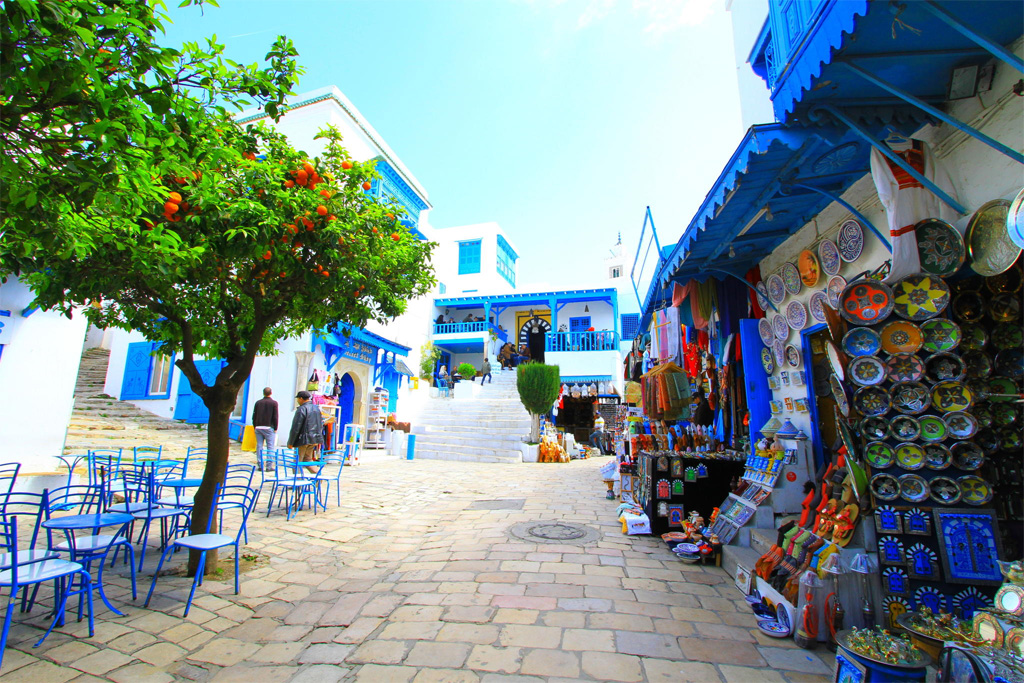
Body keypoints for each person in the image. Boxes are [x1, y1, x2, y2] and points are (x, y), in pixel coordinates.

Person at [287, 390, 324, 474]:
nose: (297, 401)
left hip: (303, 440)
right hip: (314, 439)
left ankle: (298, 482)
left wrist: (291, 442)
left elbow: (296, 427)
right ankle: (318, 476)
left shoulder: (302, 409)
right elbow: (320, 424)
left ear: (301, 398)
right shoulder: (316, 408)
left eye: (298, 399)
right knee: (308, 459)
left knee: (297, 461)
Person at [252, 387, 278, 471]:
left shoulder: (258, 403)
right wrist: (275, 427)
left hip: (258, 426)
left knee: (259, 445)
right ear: (271, 393)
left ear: (263, 393)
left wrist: (255, 426)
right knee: (270, 446)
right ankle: (269, 466)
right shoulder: (274, 403)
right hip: (268, 426)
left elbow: (254, 416)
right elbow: (275, 416)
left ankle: (260, 465)